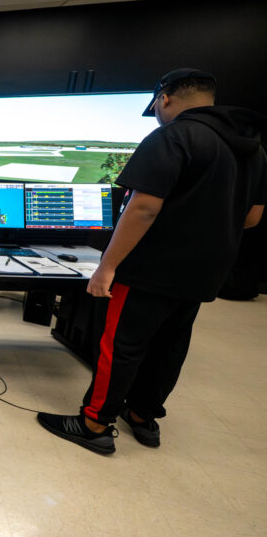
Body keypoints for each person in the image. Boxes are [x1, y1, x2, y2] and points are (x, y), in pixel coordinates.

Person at [38, 68, 267, 454]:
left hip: (150, 270)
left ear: (165, 99)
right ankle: (143, 417)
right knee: (171, 345)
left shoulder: (173, 136)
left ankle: (94, 424)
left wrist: (107, 266)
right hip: (206, 273)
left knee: (122, 345)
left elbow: (142, 208)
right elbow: (252, 217)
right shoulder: (253, 148)